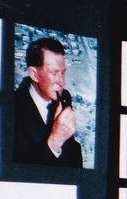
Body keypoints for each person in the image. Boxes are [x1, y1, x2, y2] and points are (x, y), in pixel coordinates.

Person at [13, 37, 83, 167]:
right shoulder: (12, 109)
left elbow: (72, 151)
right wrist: (55, 141)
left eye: (62, 73)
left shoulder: (64, 97)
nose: (61, 82)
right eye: (54, 73)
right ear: (34, 74)